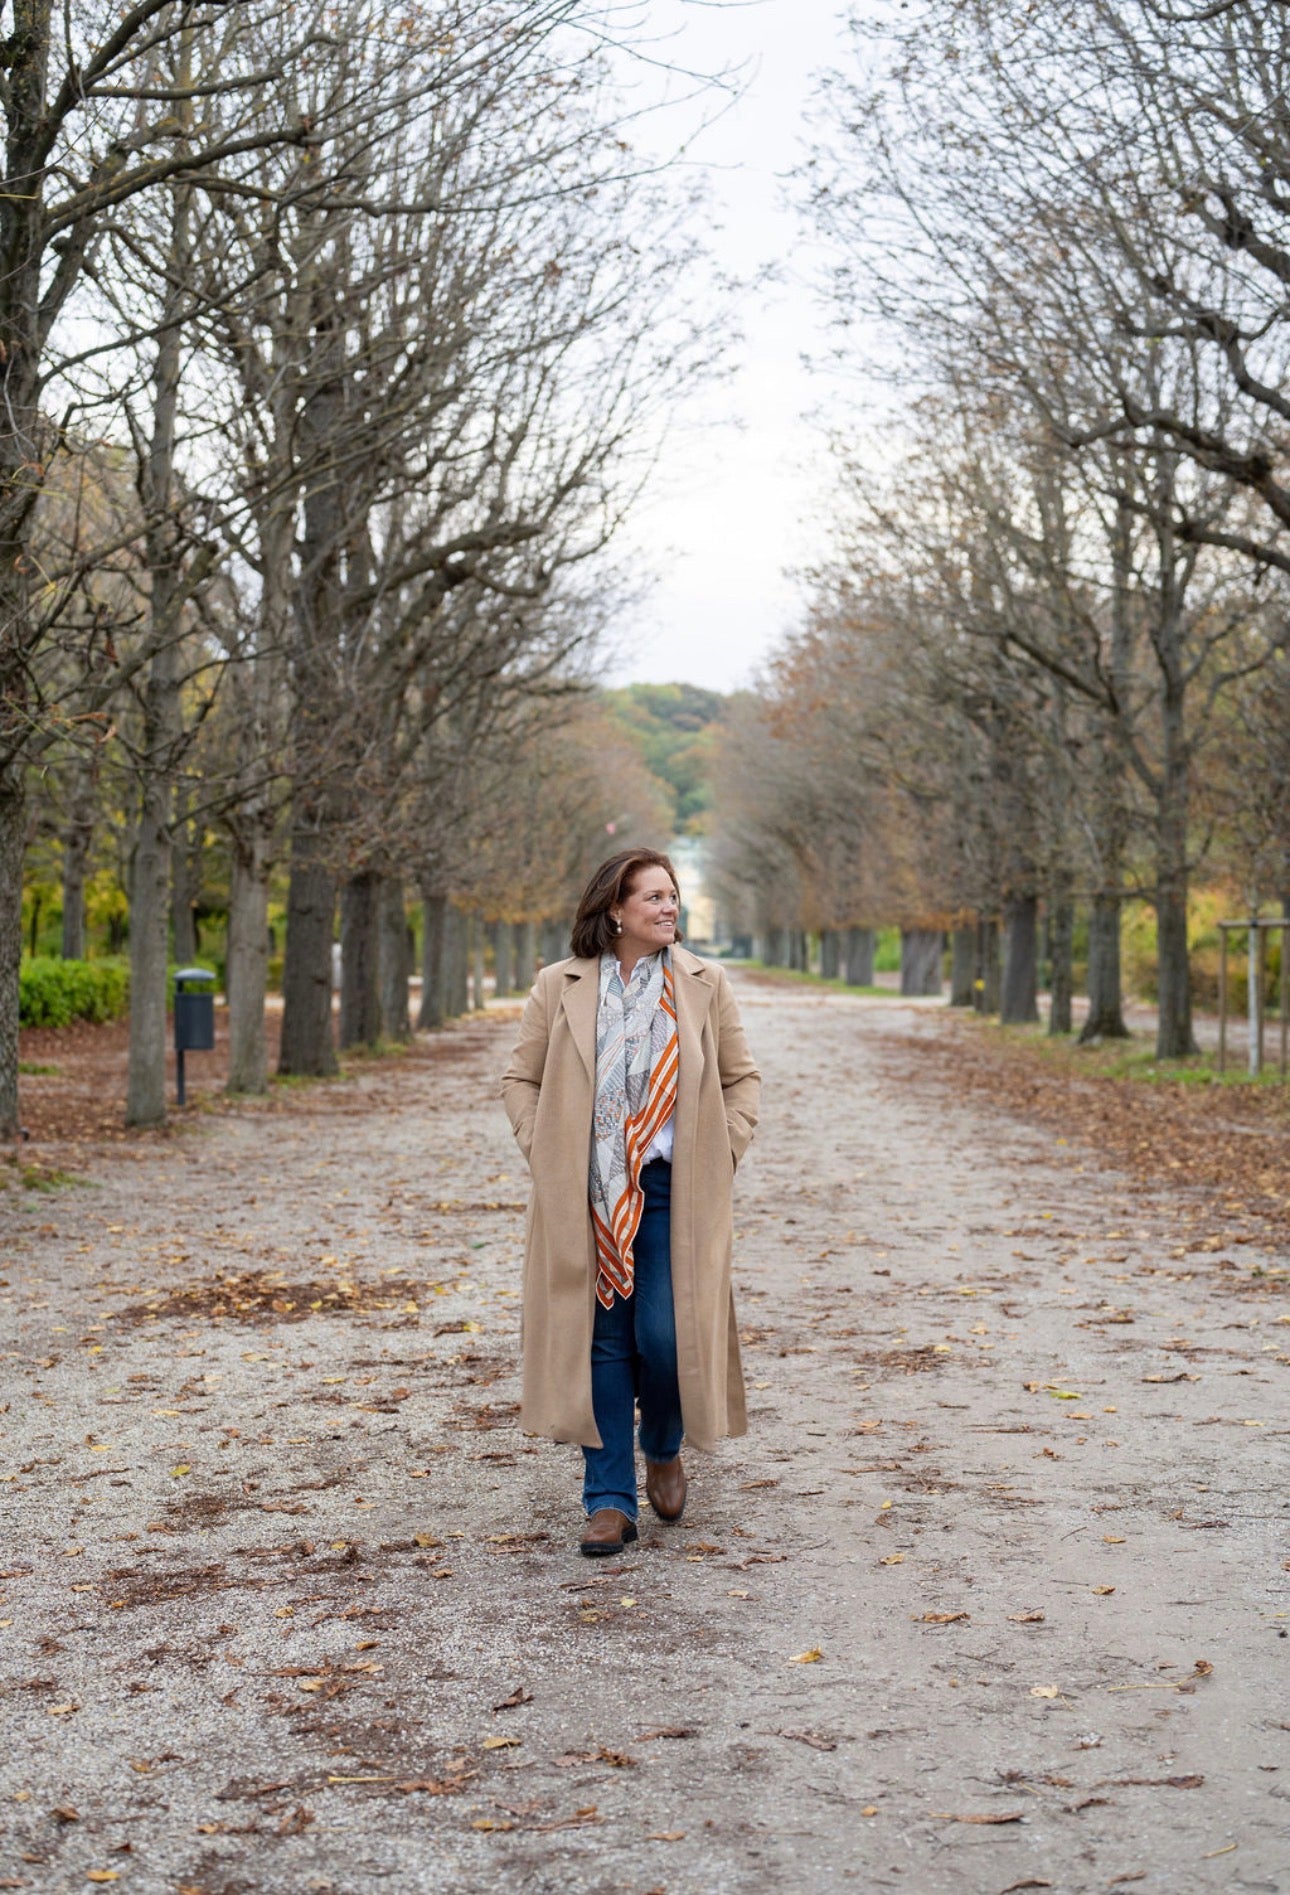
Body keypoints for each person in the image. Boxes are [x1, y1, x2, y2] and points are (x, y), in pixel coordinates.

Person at [500, 847, 761, 1556]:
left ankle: (664, 1441)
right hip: (586, 1190)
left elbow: (743, 1080)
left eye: (673, 895)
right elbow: (520, 1078)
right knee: (604, 1343)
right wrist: (545, 1148)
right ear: (615, 908)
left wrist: (724, 1151)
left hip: (675, 1189)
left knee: (667, 1338)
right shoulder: (560, 985)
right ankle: (609, 1499)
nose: (669, 906)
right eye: (653, 896)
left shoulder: (704, 983)